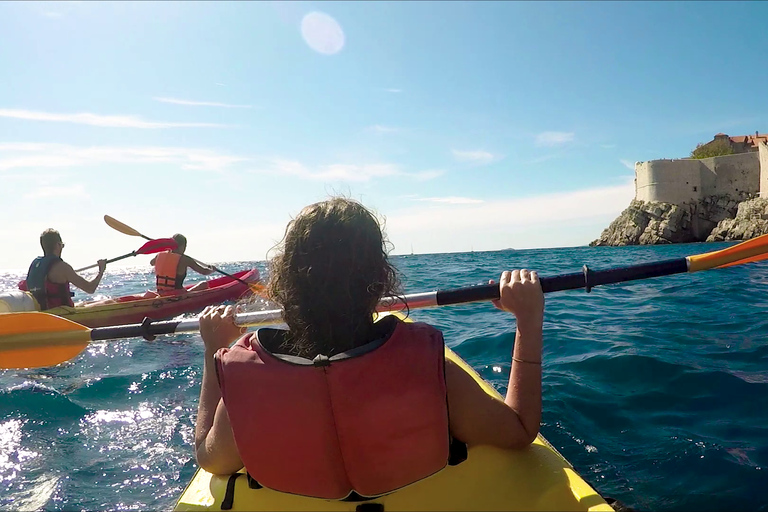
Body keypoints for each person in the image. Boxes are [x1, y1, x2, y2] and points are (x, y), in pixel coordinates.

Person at [194, 197, 544, 500]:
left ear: (287, 282)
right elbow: (519, 430)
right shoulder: (424, 367)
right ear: (379, 279)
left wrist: (214, 351)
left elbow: (211, 459)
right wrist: (527, 320)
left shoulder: (247, 376)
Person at [24, 229, 107, 310]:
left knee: (85, 303)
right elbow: (90, 288)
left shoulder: (35, 265)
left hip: (42, 312)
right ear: (58, 245)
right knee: (108, 302)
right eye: (62, 245)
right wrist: (101, 271)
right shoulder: (62, 267)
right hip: (62, 313)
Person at [149, 233, 215, 293]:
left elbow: (151, 263)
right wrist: (212, 270)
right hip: (178, 294)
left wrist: (167, 252)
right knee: (204, 284)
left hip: (161, 292)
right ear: (182, 246)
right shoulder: (185, 259)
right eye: (185, 246)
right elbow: (204, 271)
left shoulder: (159, 255)